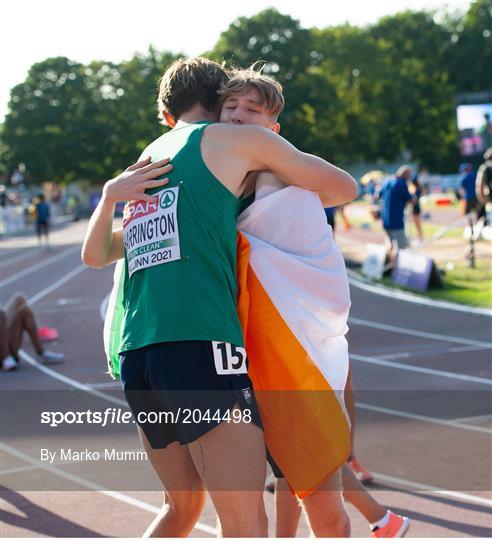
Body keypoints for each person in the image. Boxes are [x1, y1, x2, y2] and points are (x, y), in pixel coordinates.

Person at [82, 57, 357, 538]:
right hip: (203, 346)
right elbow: (342, 187)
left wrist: (108, 195)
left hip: (139, 356)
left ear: (166, 115)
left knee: (181, 510)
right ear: (217, 105)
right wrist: (271, 173)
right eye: (233, 105)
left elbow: (98, 254)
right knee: (245, 521)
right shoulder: (233, 141)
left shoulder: (147, 161)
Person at [220, 67, 409, 538]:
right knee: (288, 458)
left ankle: (380, 519)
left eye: (253, 109)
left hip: (298, 323)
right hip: (251, 335)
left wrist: (280, 161)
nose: (240, 115)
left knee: (306, 459)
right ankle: (376, 518)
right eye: (231, 107)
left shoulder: (281, 171)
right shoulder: (219, 178)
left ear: (274, 128)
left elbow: (344, 189)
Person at [0, 294, 64, 371]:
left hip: (7, 341)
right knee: (1, 314)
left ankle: (41, 352)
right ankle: (5, 359)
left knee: (21, 302)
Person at [379, 166, 415, 258]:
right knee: (400, 249)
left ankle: (387, 267)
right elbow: (410, 200)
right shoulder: (401, 184)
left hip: (385, 219)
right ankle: (395, 269)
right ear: (406, 175)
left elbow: (378, 195)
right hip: (396, 220)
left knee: (389, 245)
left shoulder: (387, 181)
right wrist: (415, 195)